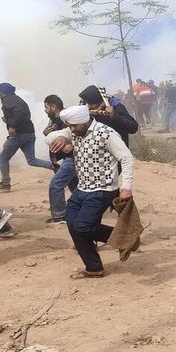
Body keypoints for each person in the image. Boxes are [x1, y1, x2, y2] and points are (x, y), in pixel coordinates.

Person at [46, 105, 136, 278]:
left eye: (74, 126)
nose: (72, 129)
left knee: (82, 227)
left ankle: (124, 238)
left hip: (103, 189)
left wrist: (126, 187)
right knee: (72, 223)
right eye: (69, 126)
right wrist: (60, 137)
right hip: (82, 188)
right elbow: (48, 138)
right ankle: (94, 267)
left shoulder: (107, 133)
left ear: (85, 121)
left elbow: (126, 158)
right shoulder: (73, 131)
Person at [0, 82, 54, 190]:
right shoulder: (18, 99)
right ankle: (54, 167)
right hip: (29, 133)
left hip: (19, 134)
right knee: (32, 160)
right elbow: (25, 114)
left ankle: (5, 184)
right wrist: (8, 120)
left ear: (2, 92)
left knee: (3, 157)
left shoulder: (7, 99)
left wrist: (12, 126)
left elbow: (18, 112)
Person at [44, 95, 77, 224]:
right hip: (66, 159)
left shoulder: (65, 118)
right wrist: (47, 134)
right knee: (76, 188)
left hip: (72, 158)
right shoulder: (55, 120)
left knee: (56, 185)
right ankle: (75, 210)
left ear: (53, 106)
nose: (45, 110)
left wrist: (72, 145)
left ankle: (59, 216)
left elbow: (78, 134)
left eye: (46, 107)